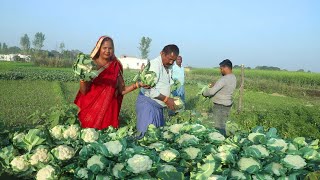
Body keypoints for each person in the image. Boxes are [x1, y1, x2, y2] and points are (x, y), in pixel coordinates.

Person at [74, 36, 147, 130]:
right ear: (99, 48)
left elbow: (122, 90)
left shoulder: (116, 65)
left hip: (108, 111)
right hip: (90, 109)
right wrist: (82, 78)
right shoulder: (90, 65)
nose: (107, 51)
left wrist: (138, 84)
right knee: (87, 137)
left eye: (110, 48)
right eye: (104, 48)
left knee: (107, 138)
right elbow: (84, 91)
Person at [136, 44, 179, 137]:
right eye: (170, 59)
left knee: (156, 138)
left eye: (174, 60)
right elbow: (149, 89)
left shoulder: (167, 66)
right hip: (148, 106)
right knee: (146, 138)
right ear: (162, 54)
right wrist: (166, 100)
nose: (171, 62)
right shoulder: (154, 65)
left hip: (158, 107)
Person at [202, 59, 236, 136]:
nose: (220, 71)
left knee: (219, 126)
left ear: (226, 68)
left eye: (221, 69)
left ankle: (220, 141)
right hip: (227, 104)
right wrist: (216, 85)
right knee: (223, 123)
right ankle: (224, 138)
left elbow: (211, 92)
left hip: (220, 105)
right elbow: (224, 87)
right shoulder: (233, 77)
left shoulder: (224, 79)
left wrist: (204, 93)